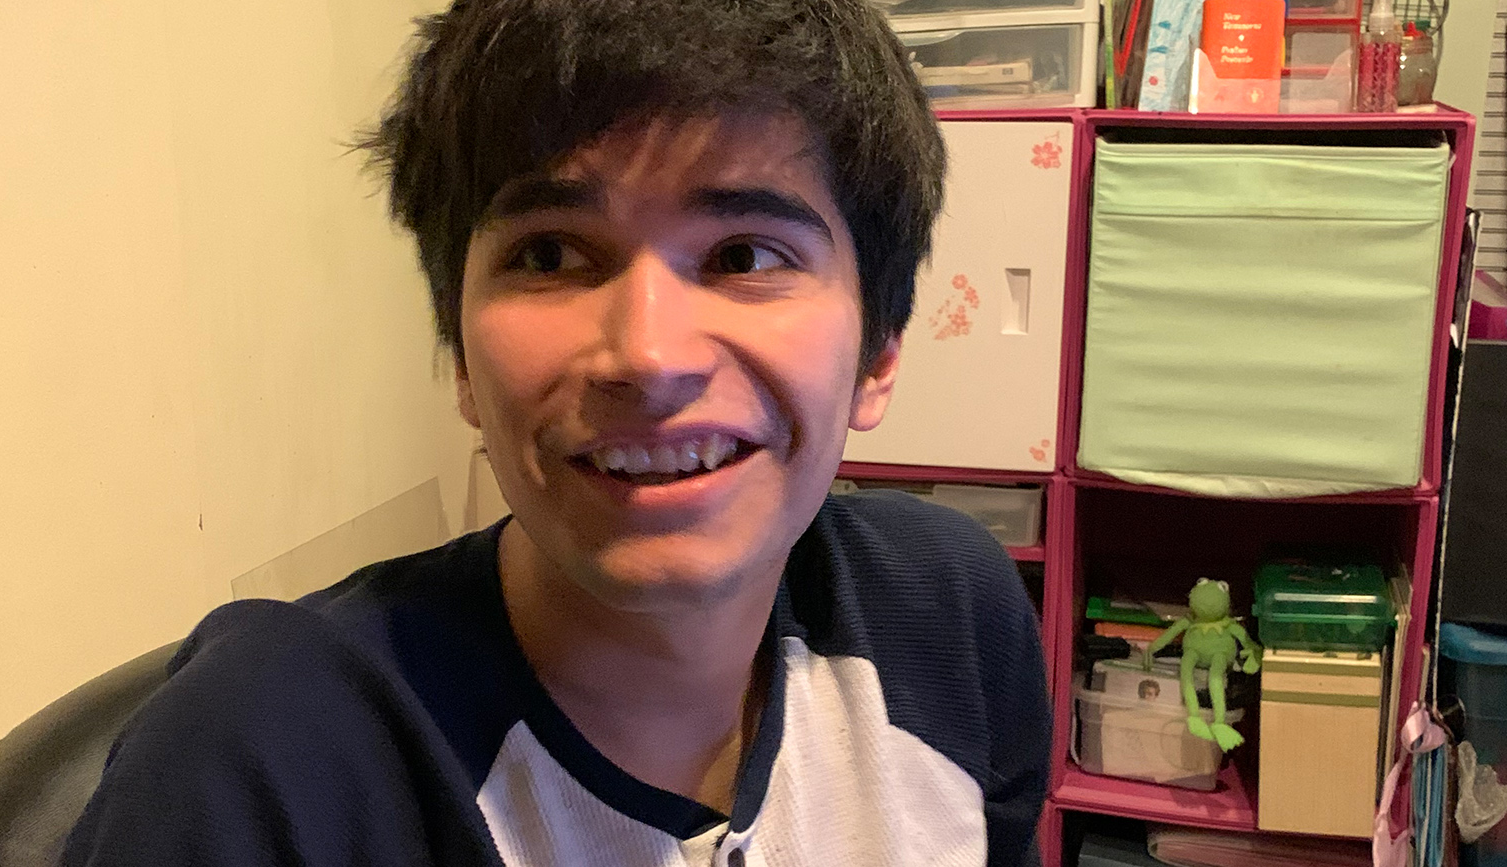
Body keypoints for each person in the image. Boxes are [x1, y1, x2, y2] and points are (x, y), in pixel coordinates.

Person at [62, 1, 1051, 864]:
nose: (648, 355)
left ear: (879, 351)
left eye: (745, 254)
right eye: (550, 254)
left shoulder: (948, 617)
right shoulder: (263, 761)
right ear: (459, 356)